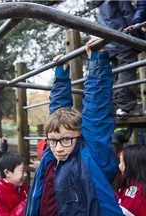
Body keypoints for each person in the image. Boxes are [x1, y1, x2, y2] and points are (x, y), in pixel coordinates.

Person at [24, 38, 123, 215]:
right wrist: (61, 77)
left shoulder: (89, 157)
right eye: (53, 141)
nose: (58, 148)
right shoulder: (50, 155)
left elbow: (96, 112)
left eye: (67, 140)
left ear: (81, 136)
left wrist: (98, 60)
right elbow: (57, 112)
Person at [97, 0, 144, 118]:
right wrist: (139, 38)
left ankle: (118, 106)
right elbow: (129, 14)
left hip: (111, 44)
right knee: (126, 74)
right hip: (123, 40)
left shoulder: (101, 5)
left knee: (119, 75)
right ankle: (126, 107)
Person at [0, 151, 28, 216]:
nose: (26, 175)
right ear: (7, 173)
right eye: (22, 171)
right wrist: (26, 203)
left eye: (26, 171)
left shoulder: (23, 188)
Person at [115, 144, 146, 216]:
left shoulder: (136, 195)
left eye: (121, 162)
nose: (119, 166)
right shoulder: (137, 187)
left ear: (130, 166)